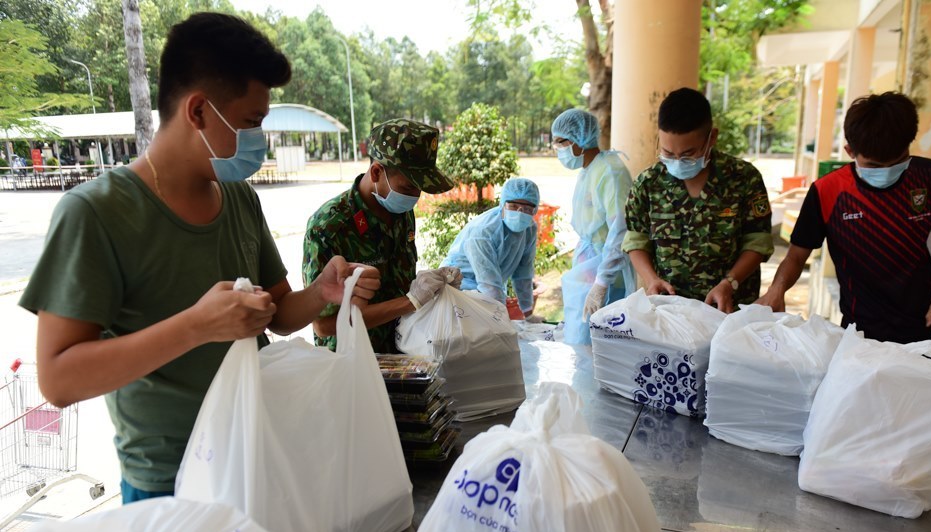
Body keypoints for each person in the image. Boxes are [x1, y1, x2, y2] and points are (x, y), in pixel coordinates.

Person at [17, 12, 380, 504]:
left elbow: (278, 314)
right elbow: (58, 380)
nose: (260, 141)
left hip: (256, 456)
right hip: (170, 483)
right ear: (198, 111)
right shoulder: (96, 213)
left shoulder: (239, 199)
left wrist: (321, 295)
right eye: (252, 124)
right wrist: (196, 326)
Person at [758, 91, 931, 343]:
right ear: (850, 151)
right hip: (860, 327)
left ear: (909, 145)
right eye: (873, 165)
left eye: (897, 163)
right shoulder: (827, 191)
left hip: (926, 318)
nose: (885, 172)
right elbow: (797, 255)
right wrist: (776, 290)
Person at [304, 119, 458, 353]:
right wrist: (410, 302)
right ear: (376, 171)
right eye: (408, 188)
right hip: (351, 365)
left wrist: (432, 286)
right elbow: (323, 325)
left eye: (420, 189)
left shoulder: (401, 213)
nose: (415, 196)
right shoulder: (329, 227)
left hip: (404, 352)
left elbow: (398, 280)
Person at [623, 87, 774, 314]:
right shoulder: (648, 183)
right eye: (668, 153)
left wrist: (729, 283)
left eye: (687, 154)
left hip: (728, 310)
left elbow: (757, 243)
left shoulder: (743, 178)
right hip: (669, 311)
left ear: (712, 137)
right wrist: (651, 279)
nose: (676, 161)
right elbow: (636, 240)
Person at [551, 109, 636, 344]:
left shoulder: (610, 171)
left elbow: (620, 229)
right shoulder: (589, 169)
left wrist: (602, 282)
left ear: (580, 140)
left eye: (561, 142)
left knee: (599, 341)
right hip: (589, 262)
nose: (557, 149)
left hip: (606, 270)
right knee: (580, 337)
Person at [442, 177, 540, 316]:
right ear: (502, 204)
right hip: (458, 289)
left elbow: (523, 272)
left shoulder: (529, 229)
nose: (520, 213)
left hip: (487, 290)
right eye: (513, 206)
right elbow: (490, 285)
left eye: (527, 209)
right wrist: (501, 318)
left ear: (535, 210)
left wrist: (527, 313)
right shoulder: (483, 232)